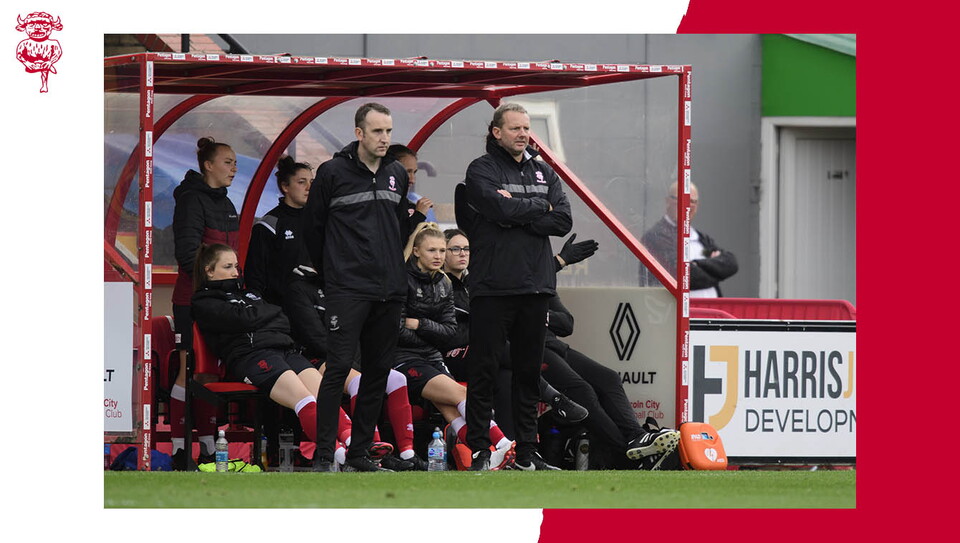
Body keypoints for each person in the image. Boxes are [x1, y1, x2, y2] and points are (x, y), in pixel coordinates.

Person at [462, 103, 573, 471]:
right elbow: (497, 210)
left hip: (535, 287)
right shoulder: (481, 169)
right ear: (497, 132)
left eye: (526, 128)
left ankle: (527, 454)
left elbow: (563, 220)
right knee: (484, 372)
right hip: (493, 287)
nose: (523, 134)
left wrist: (519, 210)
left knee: (528, 375)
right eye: (515, 128)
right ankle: (479, 451)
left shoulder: (544, 171)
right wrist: (538, 208)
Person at [303, 102, 411, 472]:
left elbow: (398, 229)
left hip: (389, 290)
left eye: (389, 131)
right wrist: (333, 272)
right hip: (347, 289)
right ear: (359, 133)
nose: (385, 138)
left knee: (378, 374)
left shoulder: (397, 173)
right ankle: (323, 455)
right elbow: (313, 228)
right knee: (337, 370)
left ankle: (360, 453)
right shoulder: (332, 172)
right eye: (378, 131)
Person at [190, 244, 358, 469]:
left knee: (327, 396)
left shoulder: (248, 294)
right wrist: (261, 316)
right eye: (227, 266)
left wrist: (255, 317)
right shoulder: (204, 301)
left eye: (236, 267)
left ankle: (358, 446)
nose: (235, 272)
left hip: (284, 349)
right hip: (251, 356)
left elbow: (282, 318)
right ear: (209, 271)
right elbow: (242, 320)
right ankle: (339, 454)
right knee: (305, 399)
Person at [283, 262, 427, 471]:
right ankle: (371, 448)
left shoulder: (352, 286)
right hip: (317, 358)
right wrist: (348, 357)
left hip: (351, 357)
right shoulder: (300, 288)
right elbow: (313, 336)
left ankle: (408, 453)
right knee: (360, 381)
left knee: (397, 379)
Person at [440, 228, 589, 429]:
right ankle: (553, 397)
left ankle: (512, 444)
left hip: (494, 352)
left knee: (507, 378)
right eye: (455, 249)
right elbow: (452, 331)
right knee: (501, 347)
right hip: (458, 354)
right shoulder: (440, 285)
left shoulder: (475, 281)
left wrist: (560, 261)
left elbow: (517, 285)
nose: (463, 254)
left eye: (466, 249)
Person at [396, 223, 515, 469]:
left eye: (442, 250)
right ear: (416, 251)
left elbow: (449, 331)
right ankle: (502, 443)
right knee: (462, 395)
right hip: (403, 358)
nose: (438, 256)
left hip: (432, 355)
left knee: (451, 410)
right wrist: (432, 333)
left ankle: (483, 455)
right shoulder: (401, 280)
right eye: (432, 250)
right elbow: (397, 331)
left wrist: (420, 324)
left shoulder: (444, 283)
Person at [542, 294, 681, 469]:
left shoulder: (543, 284)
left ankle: (637, 437)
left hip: (553, 346)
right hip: (527, 350)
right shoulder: (514, 285)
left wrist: (539, 315)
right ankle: (630, 459)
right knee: (583, 391)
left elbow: (566, 324)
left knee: (609, 378)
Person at [168, 137, 240, 469]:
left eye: (235, 162)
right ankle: (179, 449)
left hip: (220, 302)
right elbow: (187, 255)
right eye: (227, 162)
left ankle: (209, 448)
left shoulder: (227, 202)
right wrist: (213, 282)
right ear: (208, 166)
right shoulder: (190, 200)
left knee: (209, 373)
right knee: (189, 369)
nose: (234, 168)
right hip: (192, 301)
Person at [641, 181, 738, 297]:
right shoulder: (656, 236)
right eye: (681, 199)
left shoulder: (700, 239)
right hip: (675, 308)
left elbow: (730, 263)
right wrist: (717, 274)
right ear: (667, 201)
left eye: (692, 201)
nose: (687, 205)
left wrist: (696, 264)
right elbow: (683, 276)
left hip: (712, 308)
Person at [243, 155, 312, 306]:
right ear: (285, 187)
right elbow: (255, 273)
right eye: (302, 182)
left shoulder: (317, 219)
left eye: (311, 182)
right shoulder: (269, 224)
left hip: (314, 303)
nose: (309, 187)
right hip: (280, 307)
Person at [388, 144, 436, 225]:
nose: (412, 180)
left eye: (414, 172)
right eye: (407, 172)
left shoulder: (410, 205)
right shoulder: (381, 203)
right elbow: (400, 232)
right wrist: (419, 215)